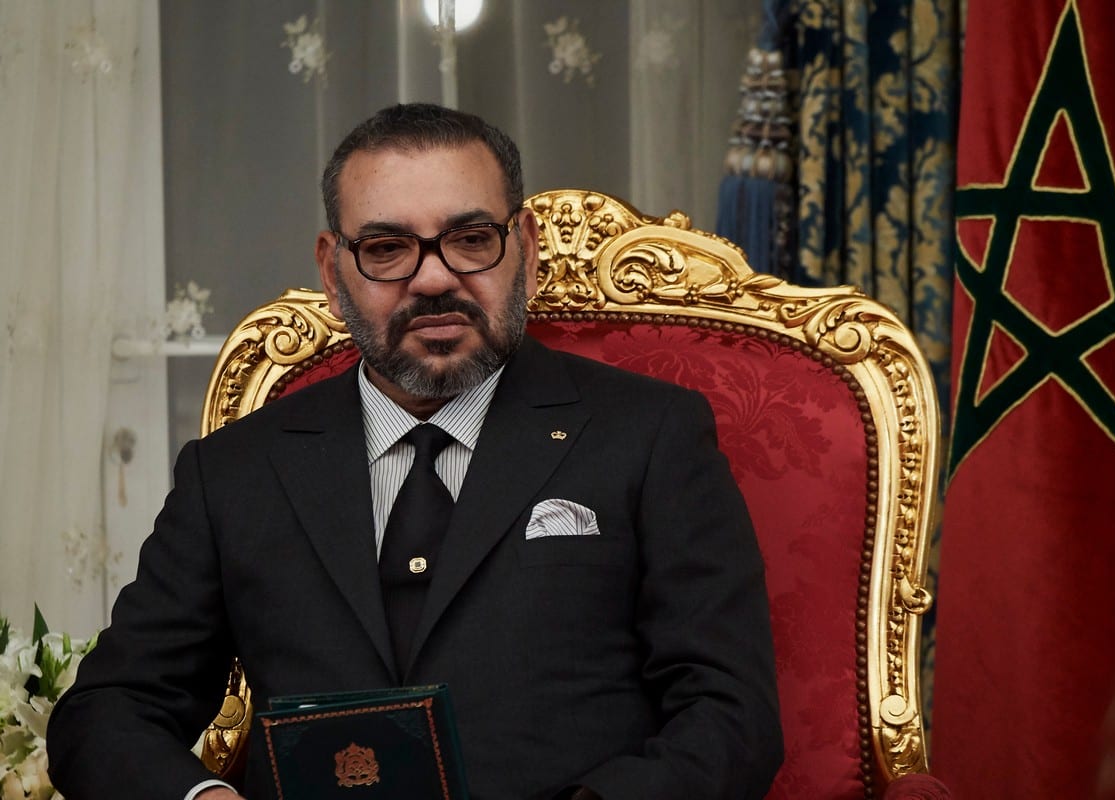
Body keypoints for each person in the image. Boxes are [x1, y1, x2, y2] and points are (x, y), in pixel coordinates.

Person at [46, 103, 783, 800]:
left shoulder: (649, 436)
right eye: (388, 248)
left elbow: (731, 716)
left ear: (523, 248)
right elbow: (107, 713)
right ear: (334, 272)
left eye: (469, 239)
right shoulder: (235, 472)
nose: (434, 279)